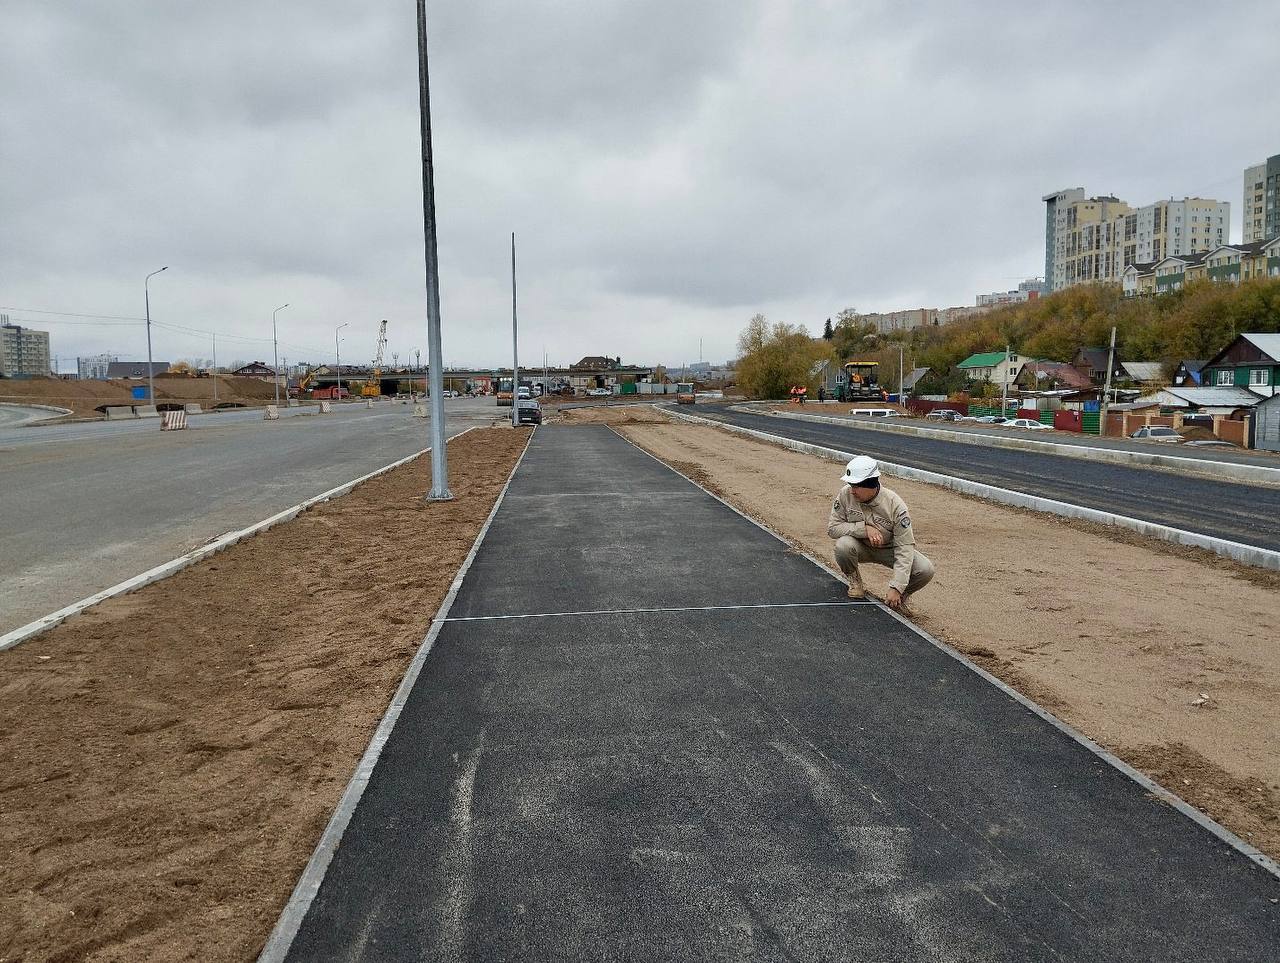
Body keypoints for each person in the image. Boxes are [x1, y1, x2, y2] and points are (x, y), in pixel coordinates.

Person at [827, 455, 934, 611]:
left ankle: (898, 598)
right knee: (842, 546)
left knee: (925, 569)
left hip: (889, 550)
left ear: (871, 484)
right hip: (860, 547)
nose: (852, 490)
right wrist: (864, 529)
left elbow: (904, 547)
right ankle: (855, 581)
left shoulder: (895, 505)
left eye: (856, 486)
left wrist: (897, 586)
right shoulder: (845, 494)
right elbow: (833, 528)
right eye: (850, 484)